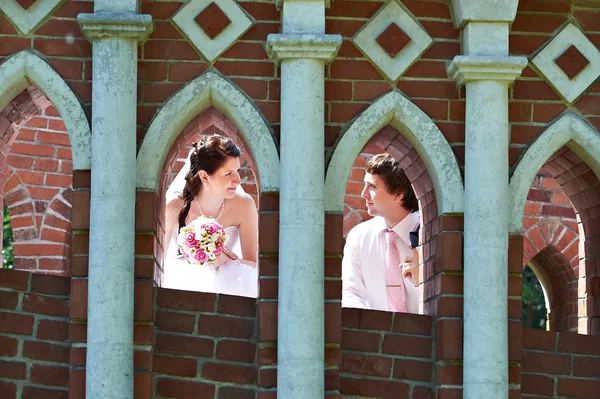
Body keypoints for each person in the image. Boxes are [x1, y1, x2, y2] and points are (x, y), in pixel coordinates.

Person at [163, 135, 259, 298]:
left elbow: (253, 265)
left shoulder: (244, 205)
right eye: (228, 173)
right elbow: (157, 262)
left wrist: (222, 260)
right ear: (205, 176)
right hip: (182, 284)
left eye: (237, 171)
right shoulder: (174, 207)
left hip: (230, 287)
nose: (237, 180)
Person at [342, 153, 420, 313]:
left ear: (398, 194)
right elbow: (351, 295)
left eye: (372, 187)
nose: (363, 193)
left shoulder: (429, 236)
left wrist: (423, 282)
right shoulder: (359, 237)